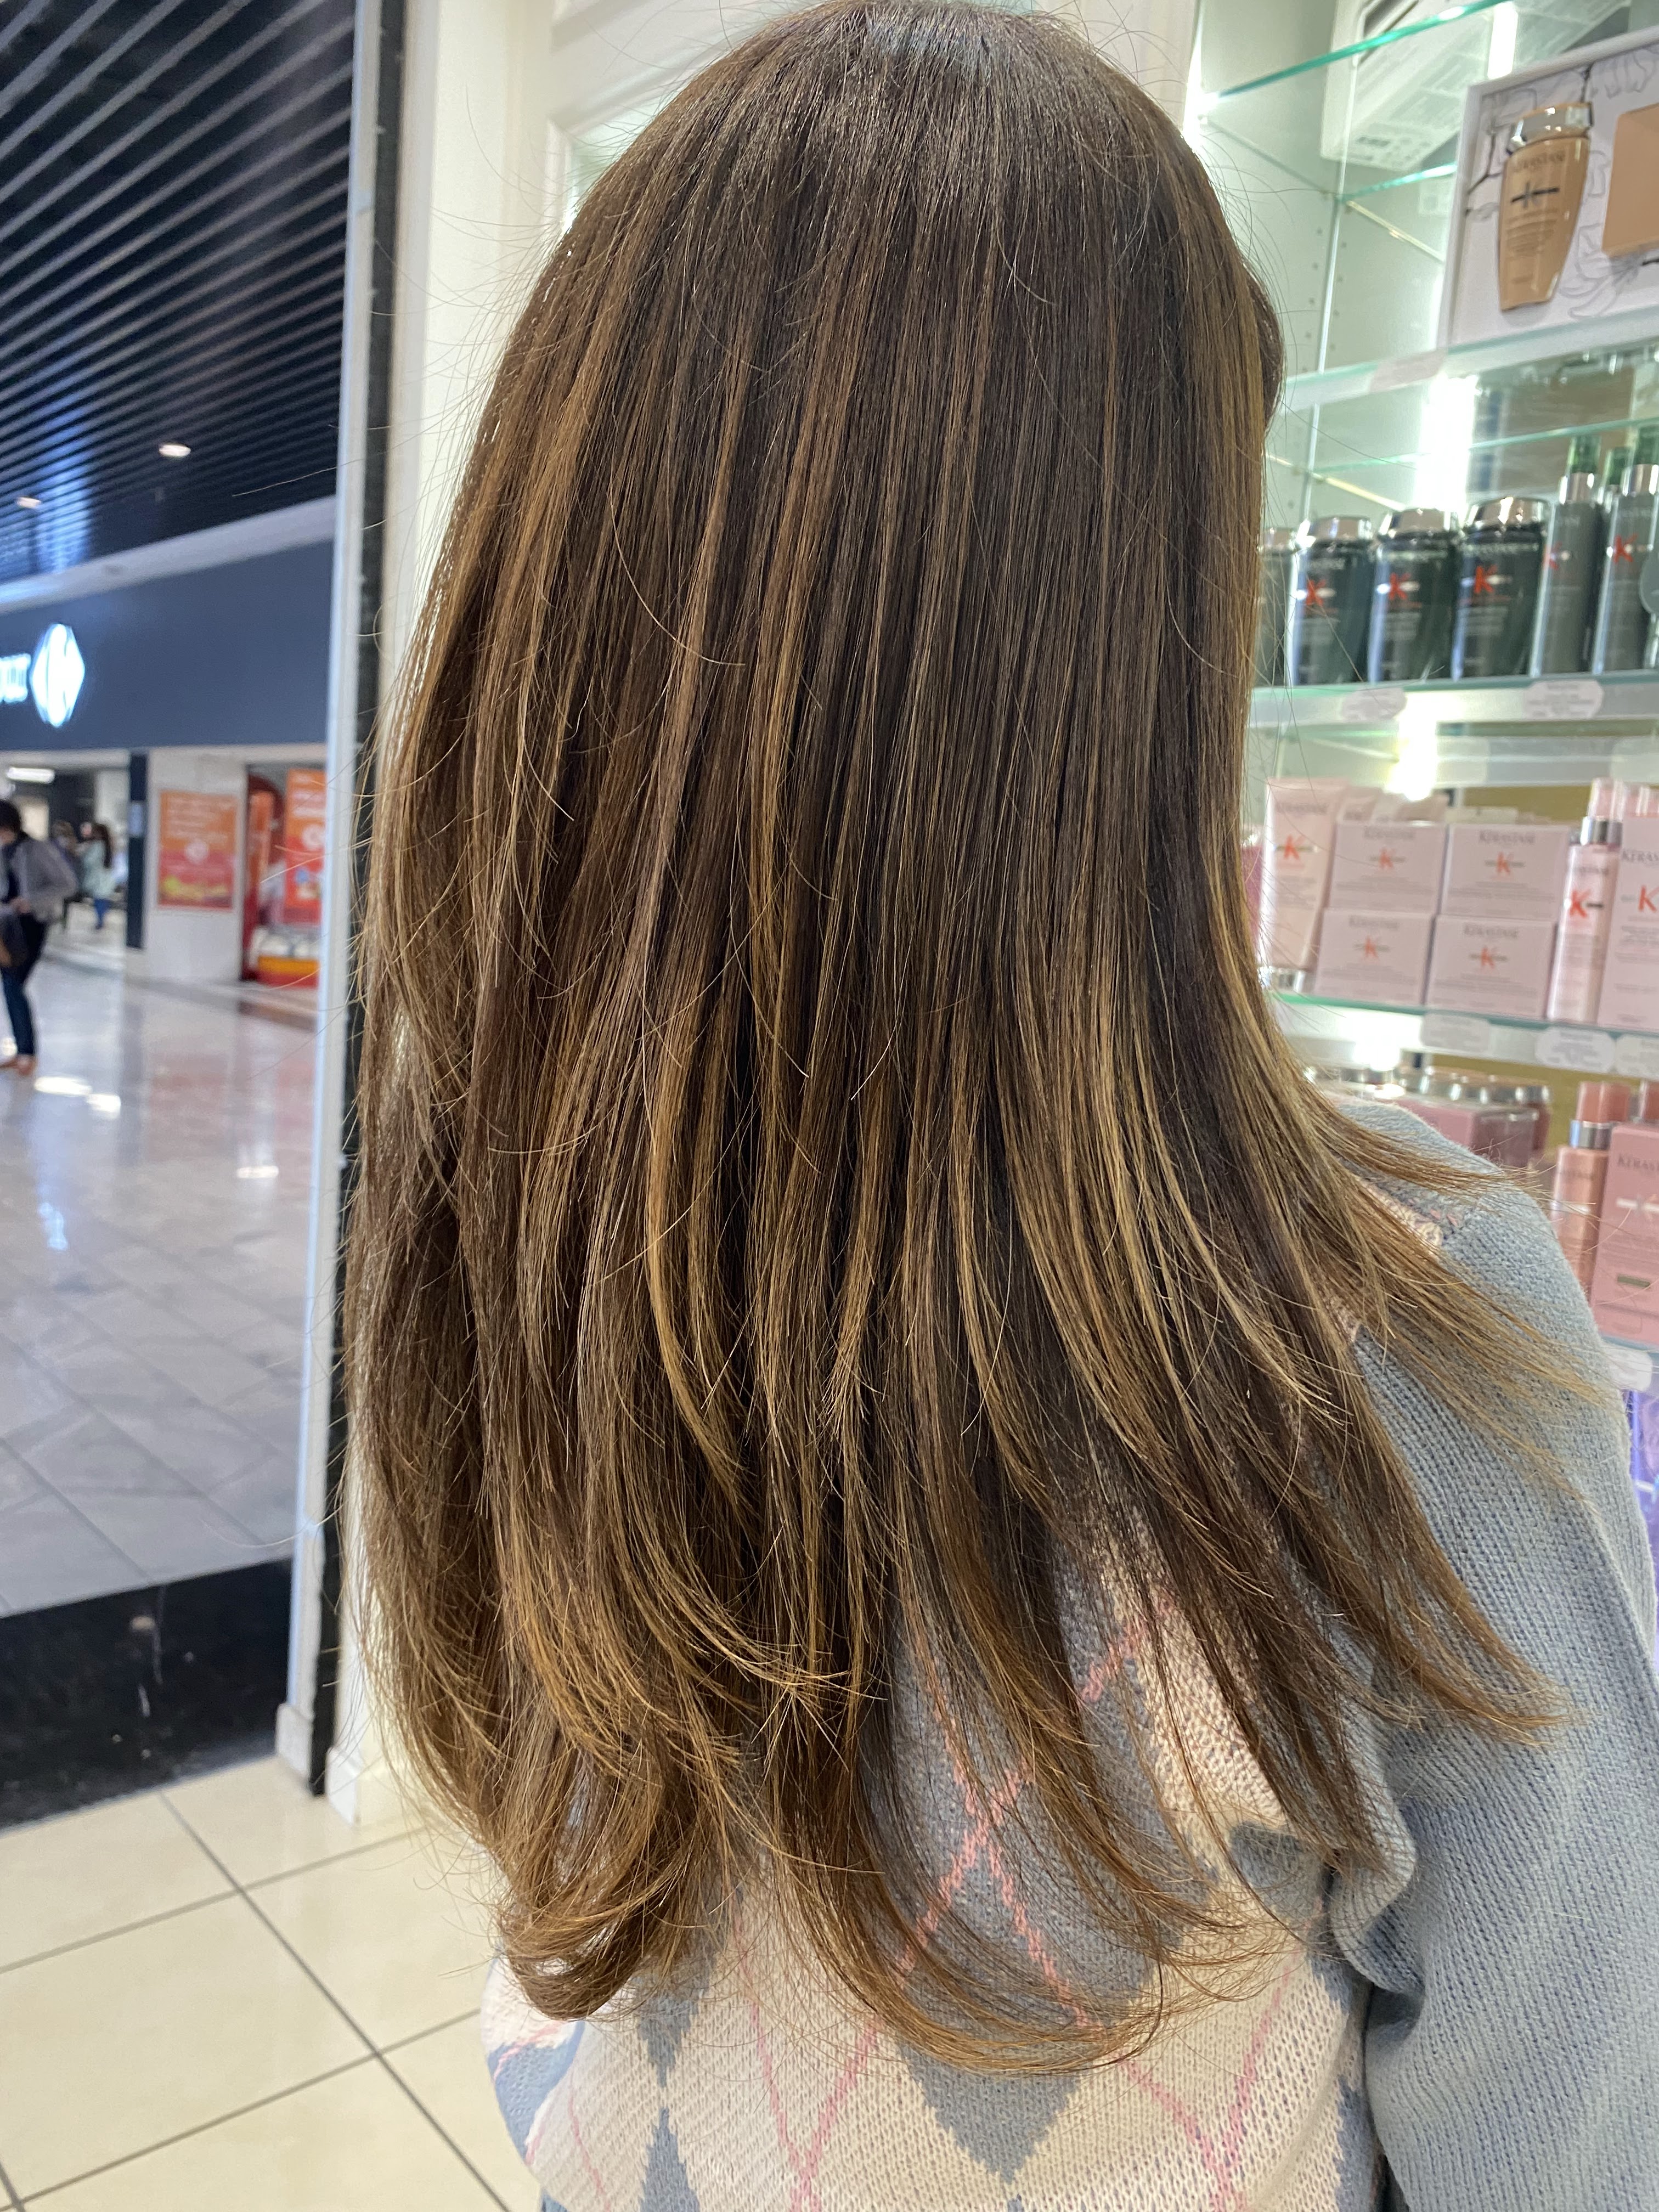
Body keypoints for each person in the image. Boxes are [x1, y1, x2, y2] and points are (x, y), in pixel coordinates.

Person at [347, 8, 1659, 2208]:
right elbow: (1574, 2149)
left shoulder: (520, 1217)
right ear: (1127, 664)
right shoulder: (1393, 1339)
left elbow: (566, 1937)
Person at [0, 799, 77, 1073]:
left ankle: (27, 1053)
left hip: (31, 924)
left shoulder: (37, 849)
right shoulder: (5, 851)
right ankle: (23, 1051)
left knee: (13, 984)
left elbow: (67, 884)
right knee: (10, 985)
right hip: (6, 923)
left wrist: (30, 901)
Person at [78, 821, 118, 930]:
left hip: (98, 878)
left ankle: (100, 922)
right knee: (103, 900)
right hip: (107, 877)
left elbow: (88, 861)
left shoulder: (96, 845)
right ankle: (101, 920)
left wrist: (84, 854)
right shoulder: (109, 846)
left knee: (98, 900)